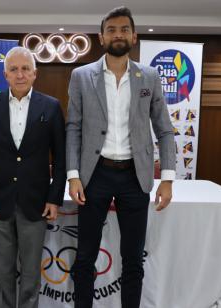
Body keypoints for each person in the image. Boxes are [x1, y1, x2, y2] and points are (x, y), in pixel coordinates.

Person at [66, 7, 176, 308]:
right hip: (94, 175)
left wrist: (167, 179)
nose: (118, 34)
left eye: (124, 29)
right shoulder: (81, 76)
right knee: (85, 256)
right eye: (112, 29)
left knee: (133, 259)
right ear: (102, 37)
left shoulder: (149, 76)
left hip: (135, 177)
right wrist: (73, 175)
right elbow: (73, 127)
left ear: (134, 35)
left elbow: (165, 131)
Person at [0, 46, 66, 308]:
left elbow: (60, 159)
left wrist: (54, 198)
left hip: (35, 202)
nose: (20, 74)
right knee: (2, 271)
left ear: (35, 74)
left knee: (30, 272)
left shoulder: (51, 106)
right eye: (14, 69)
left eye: (26, 69)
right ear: (5, 74)